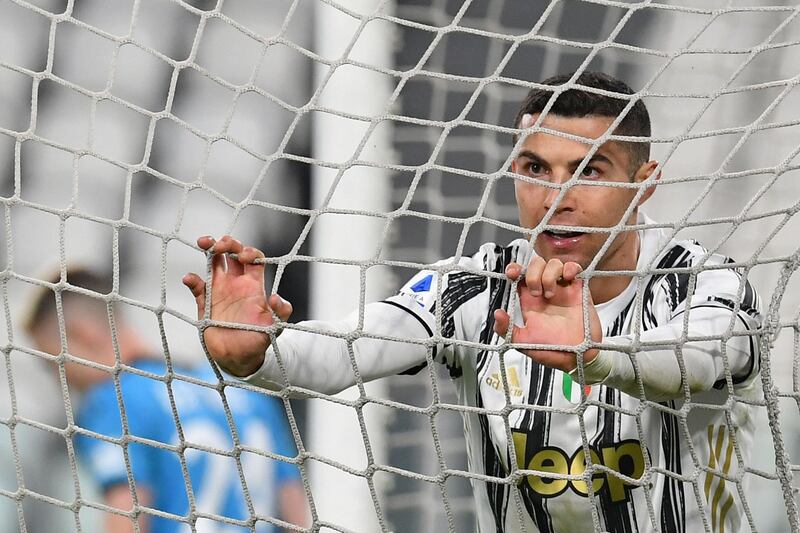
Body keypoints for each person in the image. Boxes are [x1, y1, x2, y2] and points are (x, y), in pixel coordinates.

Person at [183, 71, 763, 533]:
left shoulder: (711, 286)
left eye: (589, 171)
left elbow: (692, 362)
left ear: (644, 183)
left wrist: (597, 356)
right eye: (536, 168)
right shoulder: (476, 288)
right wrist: (258, 360)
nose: (556, 196)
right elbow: (347, 350)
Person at [26, 268, 309, 533]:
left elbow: (128, 511)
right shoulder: (238, 387)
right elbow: (295, 509)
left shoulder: (113, 400)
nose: (61, 379)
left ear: (82, 335)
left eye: (57, 364)